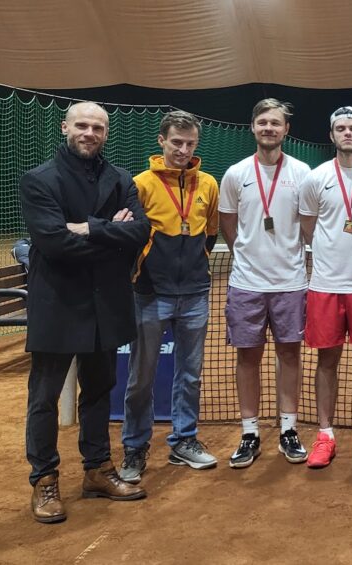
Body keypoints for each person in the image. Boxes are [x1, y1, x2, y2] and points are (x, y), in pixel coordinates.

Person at [20, 101, 149, 523]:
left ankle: (97, 470)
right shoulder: (39, 180)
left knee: (98, 391)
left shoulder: (121, 179)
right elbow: (55, 244)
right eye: (82, 125)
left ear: (106, 133)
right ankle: (44, 478)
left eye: (97, 127)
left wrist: (90, 227)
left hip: (105, 305)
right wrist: (112, 234)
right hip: (57, 304)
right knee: (44, 397)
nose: (89, 133)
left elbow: (139, 231)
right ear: (65, 127)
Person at [120, 111, 220, 483]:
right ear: (161, 141)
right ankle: (135, 447)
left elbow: (210, 233)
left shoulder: (208, 183)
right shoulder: (141, 184)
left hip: (195, 294)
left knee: (190, 375)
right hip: (150, 294)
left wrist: (195, 265)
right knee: (141, 378)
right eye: (176, 142)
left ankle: (184, 440)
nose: (183, 150)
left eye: (190, 143)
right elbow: (131, 234)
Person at [219, 99, 312, 468]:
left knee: (290, 355)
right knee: (247, 357)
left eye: (275, 123)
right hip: (247, 283)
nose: (269, 128)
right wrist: (248, 254)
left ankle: (288, 429)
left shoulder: (303, 172)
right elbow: (228, 224)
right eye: (263, 122)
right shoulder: (235, 173)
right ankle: (250, 433)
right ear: (253, 127)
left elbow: (308, 224)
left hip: (291, 281)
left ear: (286, 129)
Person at [298, 106, 352, 468]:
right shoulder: (316, 178)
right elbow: (308, 227)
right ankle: (325, 436)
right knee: (326, 360)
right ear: (331, 135)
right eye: (340, 128)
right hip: (326, 283)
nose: (347, 133)